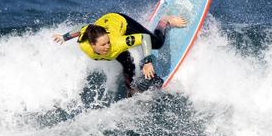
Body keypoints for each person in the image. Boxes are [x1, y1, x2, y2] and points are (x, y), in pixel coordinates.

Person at [52, 13, 186, 96]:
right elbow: (83, 28)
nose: (107, 46)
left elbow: (144, 38)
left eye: (107, 43)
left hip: (121, 22)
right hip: (103, 26)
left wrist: (147, 62)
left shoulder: (115, 43)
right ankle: (131, 90)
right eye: (103, 45)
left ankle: (164, 21)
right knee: (126, 62)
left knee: (156, 43)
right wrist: (65, 37)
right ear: (93, 45)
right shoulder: (84, 44)